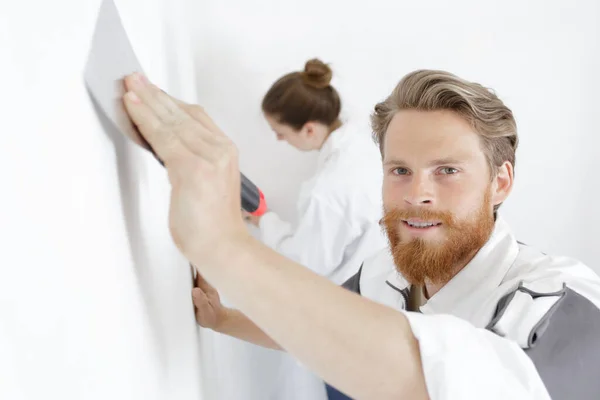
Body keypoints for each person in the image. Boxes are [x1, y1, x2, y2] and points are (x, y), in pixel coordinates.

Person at [122, 69, 600, 400]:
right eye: (400, 170)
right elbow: (317, 325)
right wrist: (226, 320)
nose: (417, 194)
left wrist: (224, 244)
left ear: (500, 183)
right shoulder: (385, 272)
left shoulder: (569, 304)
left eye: (447, 170)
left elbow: (444, 378)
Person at [244, 58, 387, 288]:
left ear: (309, 129)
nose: (279, 140)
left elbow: (305, 265)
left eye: (280, 132)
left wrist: (264, 219)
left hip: (356, 300)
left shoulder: (329, 190)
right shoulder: (367, 141)